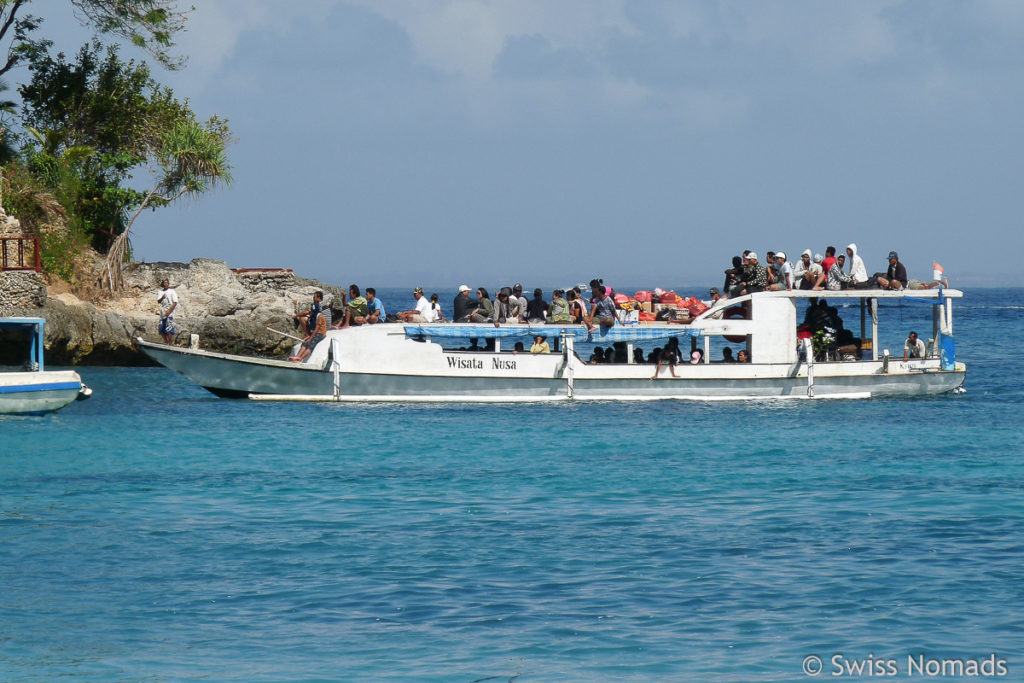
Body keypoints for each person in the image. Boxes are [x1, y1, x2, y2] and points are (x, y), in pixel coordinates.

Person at [290, 291, 326, 362]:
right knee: (305, 343)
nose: (313, 298)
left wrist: (311, 337)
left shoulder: (320, 316)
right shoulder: (316, 315)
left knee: (311, 344)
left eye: (314, 297)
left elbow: (317, 328)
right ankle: (297, 356)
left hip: (320, 333)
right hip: (315, 332)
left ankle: (300, 358)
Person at [157, 278, 178, 344]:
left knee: (169, 327)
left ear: (168, 284)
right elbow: (158, 301)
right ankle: (166, 342)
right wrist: (162, 298)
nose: (166, 284)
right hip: (163, 309)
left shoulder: (172, 291)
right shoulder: (160, 292)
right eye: (164, 283)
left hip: (169, 308)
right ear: (162, 284)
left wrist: (169, 311)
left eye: (167, 283)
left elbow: (175, 302)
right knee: (161, 327)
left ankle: (170, 343)